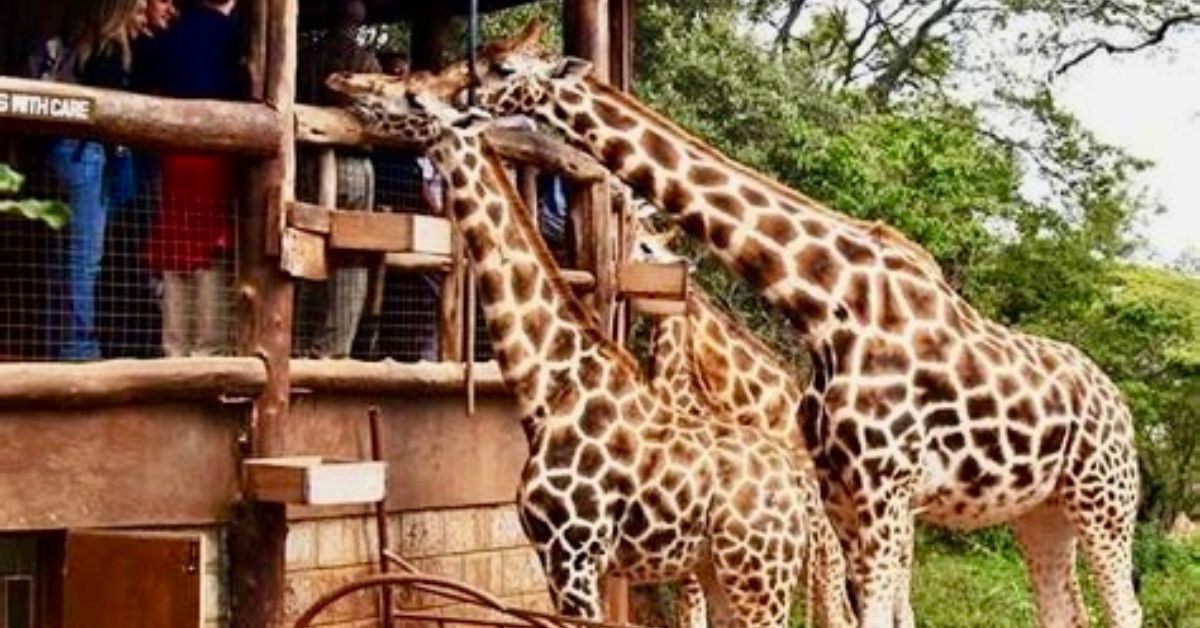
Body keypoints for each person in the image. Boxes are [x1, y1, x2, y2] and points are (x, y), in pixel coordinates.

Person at [41, 0, 148, 360]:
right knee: (85, 256)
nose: (142, 20)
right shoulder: (111, 51)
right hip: (86, 153)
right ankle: (78, 347)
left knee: (67, 255)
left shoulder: (82, 44)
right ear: (121, 12)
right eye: (137, 12)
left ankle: (61, 342)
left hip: (66, 153)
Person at [144, 0, 242, 357]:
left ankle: (174, 349)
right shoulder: (232, 35)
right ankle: (208, 352)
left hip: (175, 156)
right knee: (212, 250)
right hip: (217, 156)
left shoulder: (172, 33)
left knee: (175, 249)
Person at [295, 0, 382, 358]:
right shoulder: (367, 62)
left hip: (307, 163)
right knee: (351, 255)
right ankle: (334, 347)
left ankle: (299, 340)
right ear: (359, 23)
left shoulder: (306, 58)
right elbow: (377, 116)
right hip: (353, 163)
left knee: (307, 245)